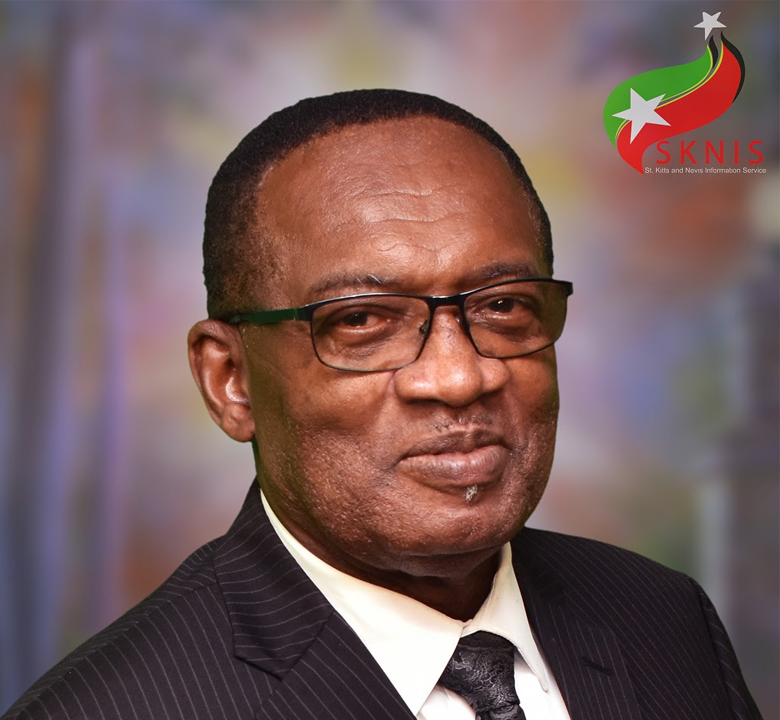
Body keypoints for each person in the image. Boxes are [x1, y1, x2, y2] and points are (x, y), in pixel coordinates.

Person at [2, 89, 761, 720]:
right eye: (362, 321)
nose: (459, 377)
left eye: (502, 305)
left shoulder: (664, 618)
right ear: (231, 380)